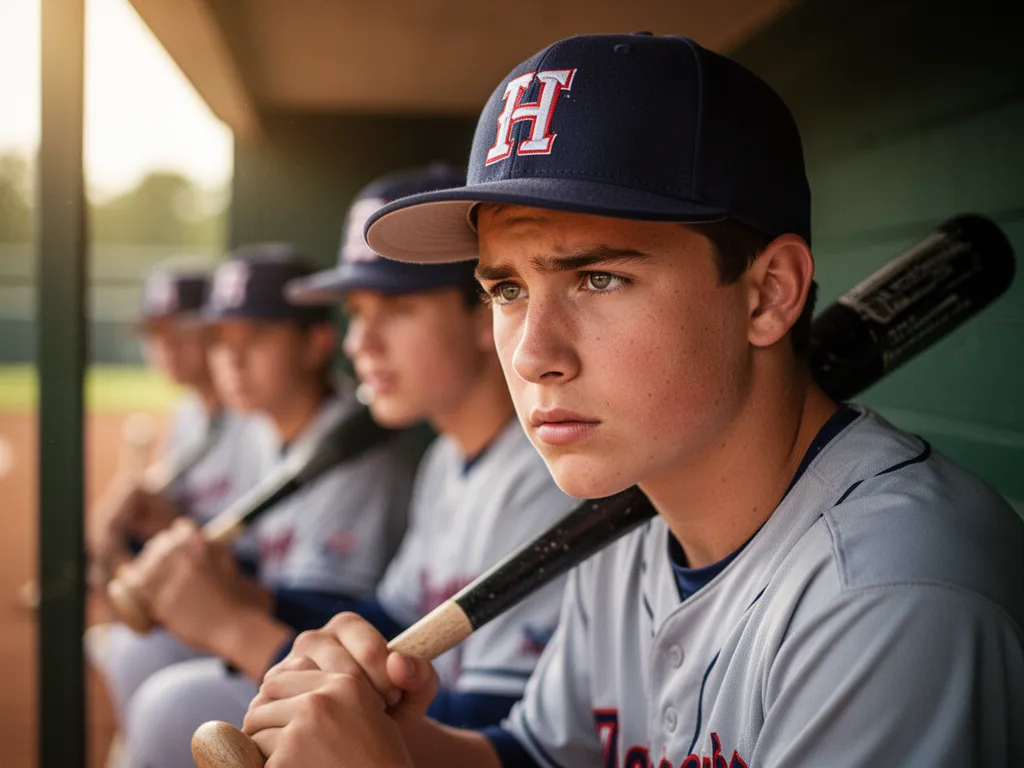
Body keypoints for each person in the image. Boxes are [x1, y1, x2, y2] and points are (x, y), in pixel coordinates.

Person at [241, 33, 1024, 767]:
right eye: (507, 290)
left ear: (767, 294)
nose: (532, 354)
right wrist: (412, 744)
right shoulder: (626, 517)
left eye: (598, 279)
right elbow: (544, 755)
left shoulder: (893, 598)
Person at [271, 162, 579, 731]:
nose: (360, 342)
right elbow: (396, 617)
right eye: (357, 313)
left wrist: (244, 634)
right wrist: (248, 604)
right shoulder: (446, 457)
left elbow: (494, 727)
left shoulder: (551, 472)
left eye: (398, 308)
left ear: (484, 312)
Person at [96, 245, 423, 768]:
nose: (232, 358)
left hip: (356, 670)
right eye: (223, 340)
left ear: (316, 345)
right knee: (139, 648)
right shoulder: (259, 429)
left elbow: (334, 605)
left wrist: (229, 600)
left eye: (258, 337)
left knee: (169, 706)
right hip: (295, 643)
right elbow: (255, 559)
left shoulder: (354, 452)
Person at [86, 264, 261, 588]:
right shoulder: (188, 412)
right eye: (155, 333)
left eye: (179, 331)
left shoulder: (256, 416)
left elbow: (260, 554)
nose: (165, 346)